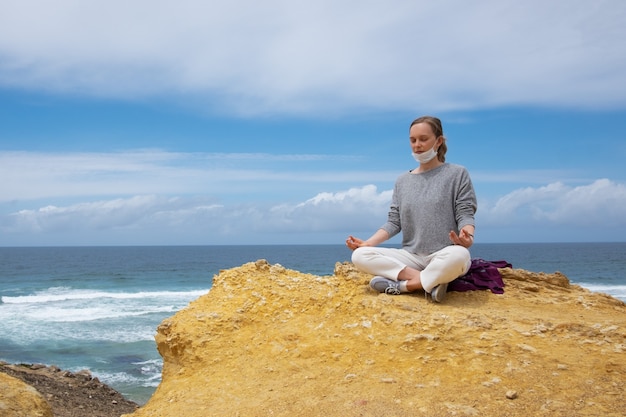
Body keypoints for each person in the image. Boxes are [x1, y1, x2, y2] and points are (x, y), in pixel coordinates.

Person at [345, 116, 477, 303]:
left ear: (438, 141)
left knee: (460, 255)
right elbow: (394, 222)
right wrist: (367, 243)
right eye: (413, 140)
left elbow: (465, 212)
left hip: (444, 253)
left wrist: (467, 237)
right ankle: (431, 280)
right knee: (360, 255)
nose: (417, 145)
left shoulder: (457, 174)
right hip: (411, 256)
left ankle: (404, 286)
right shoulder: (402, 181)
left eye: (423, 139)